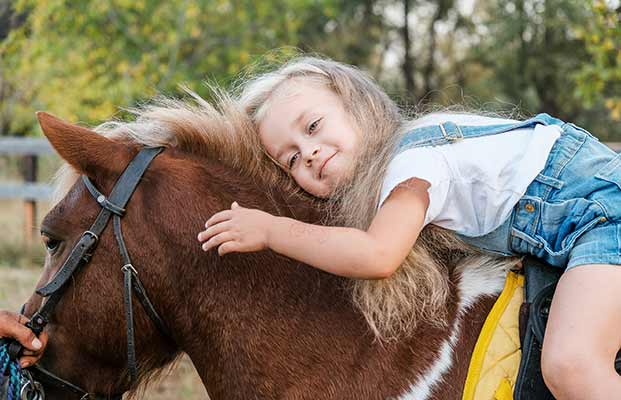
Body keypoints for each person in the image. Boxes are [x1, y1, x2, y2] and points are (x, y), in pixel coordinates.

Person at [196, 56, 621, 398]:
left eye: (313, 126)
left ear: (359, 106)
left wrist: (272, 230)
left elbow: (376, 254)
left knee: (573, 365)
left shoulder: (413, 164)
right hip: (583, 214)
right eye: (290, 158)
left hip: (601, 214)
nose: (307, 152)